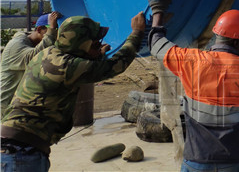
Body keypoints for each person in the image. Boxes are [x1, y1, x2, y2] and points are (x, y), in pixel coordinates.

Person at [0, 12, 146, 172]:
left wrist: (95, 55)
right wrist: (137, 33)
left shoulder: (47, 53)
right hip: (21, 155)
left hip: (15, 147)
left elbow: (80, 65)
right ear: (80, 44)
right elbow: (116, 65)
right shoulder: (67, 67)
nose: (99, 46)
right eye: (95, 44)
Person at [147, 0, 239, 172]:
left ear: (217, 35)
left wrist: (157, 10)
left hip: (197, 160)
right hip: (235, 161)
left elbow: (155, 44)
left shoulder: (191, 61)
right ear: (237, 41)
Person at [0, 12, 62, 117]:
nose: (56, 34)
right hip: (7, 107)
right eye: (54, 30)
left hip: (21, 105)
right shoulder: (15, 45)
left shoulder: (33, 44)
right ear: (39, 29)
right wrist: (51, 30)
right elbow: (34, 58)